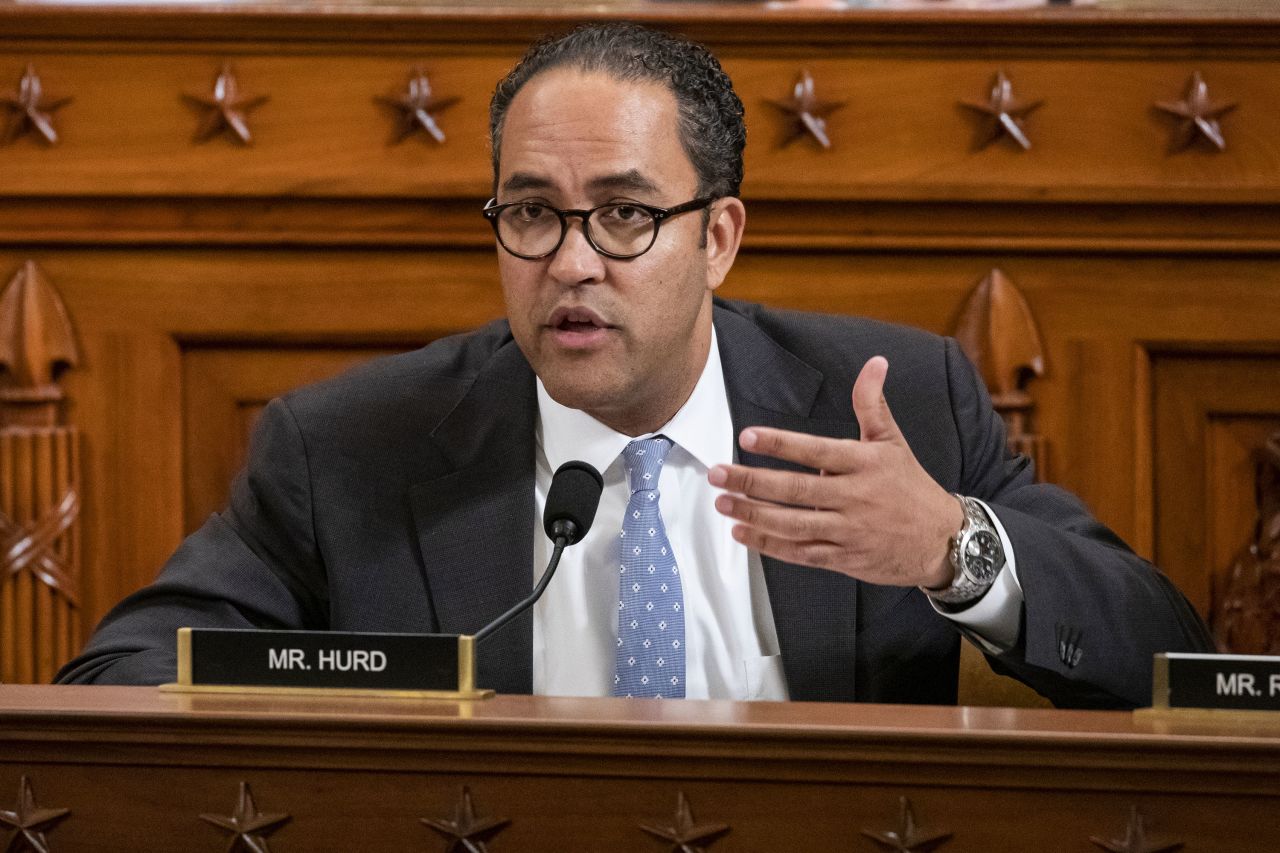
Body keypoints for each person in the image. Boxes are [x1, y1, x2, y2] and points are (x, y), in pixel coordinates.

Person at [57, 24, 1212, 707]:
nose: (568, 263)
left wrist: (948, 550)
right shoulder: (352, 444)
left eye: (621, 216)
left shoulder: (893, 405)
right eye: (529, 212)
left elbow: (1171, 658)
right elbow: (123, 675)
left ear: (716, 237)